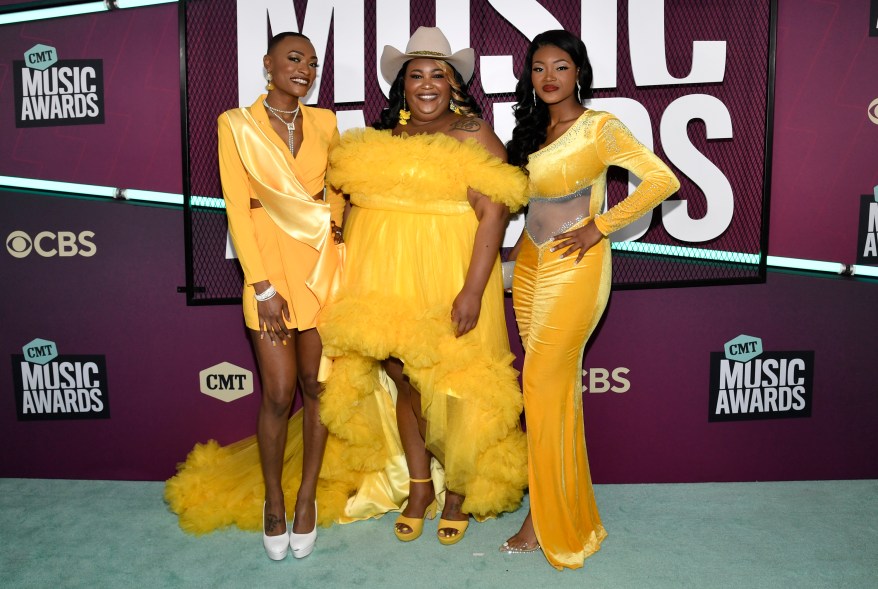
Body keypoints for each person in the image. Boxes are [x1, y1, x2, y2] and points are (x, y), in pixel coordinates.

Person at [318, 26, 529, 546]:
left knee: (452, 385)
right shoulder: (385, 138)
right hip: (389, 284)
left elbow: (492, 216)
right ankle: (418, 488)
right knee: (405, 380)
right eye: (416, 75)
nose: (427, 84)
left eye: (439, 74)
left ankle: (455, 493)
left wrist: (473, 291)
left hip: (449, 276)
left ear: (456, 84)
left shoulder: (475, 133)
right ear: (403, 86)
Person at [500, 30, 680, 569]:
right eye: (538, 68)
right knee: (549, 393)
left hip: (576, 269)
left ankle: (543, 520)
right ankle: (564, 508)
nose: (549, 77)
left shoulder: (599, 127)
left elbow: (661, 180)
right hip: (529, 268)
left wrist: (600, 226)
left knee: (542, 385)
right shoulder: (531, 129)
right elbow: (529, 203)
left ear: (579, 71)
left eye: (560, 66)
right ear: (528, 77)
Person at [165, 32, 346, 561]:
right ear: (267, 64)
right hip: (268, 268)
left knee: (318, 388)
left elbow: (336, 192)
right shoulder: (234, 124)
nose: (305, 69)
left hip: (320, 268)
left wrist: (337, 231)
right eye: (294, 59)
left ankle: (306, 496)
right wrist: (261, 285)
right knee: (278, 391)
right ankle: (274, 498)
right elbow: (235, 208)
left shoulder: (326, 122)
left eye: (312, 63)